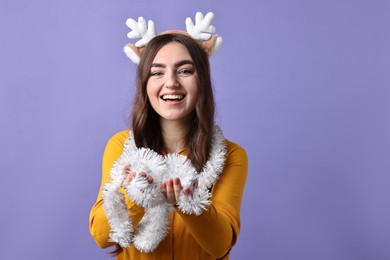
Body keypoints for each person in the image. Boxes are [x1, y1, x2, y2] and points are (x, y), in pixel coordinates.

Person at [89, 14, 248, 260]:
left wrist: (189, 203)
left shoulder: (231, 156)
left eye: (184, 71)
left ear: (201, 82)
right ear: (145, 84)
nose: (171, 83)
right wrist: (137, 194)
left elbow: (221, 244)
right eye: (157, 73)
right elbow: (102, 235)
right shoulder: (121, 147)